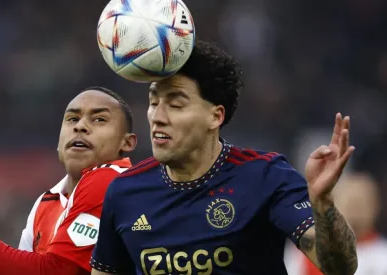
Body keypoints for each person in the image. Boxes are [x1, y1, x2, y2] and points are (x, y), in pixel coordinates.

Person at [90, 40, 358, 275]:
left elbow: (340, 268)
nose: (157, 117)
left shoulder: (265, 176)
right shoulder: (125, 192)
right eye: (153, 102)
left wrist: (322, 204)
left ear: (215, 116)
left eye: (175, 104)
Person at [0, 87, 137, 275]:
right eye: (72, 119)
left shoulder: (112, 179)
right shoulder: (46, 201)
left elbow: (56, 271)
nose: (80, 126)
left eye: (99, 119)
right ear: (59, 140)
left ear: (126, 143)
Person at [285, 172, 387, 275]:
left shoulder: (383, 254)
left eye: (361, 204)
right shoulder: (305, 250)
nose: (355, 212)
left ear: (376, 206)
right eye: (349, 203)